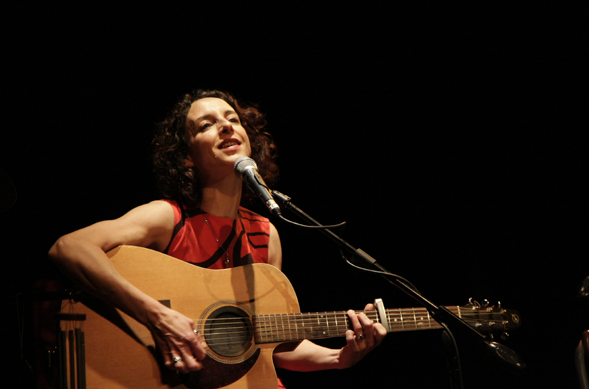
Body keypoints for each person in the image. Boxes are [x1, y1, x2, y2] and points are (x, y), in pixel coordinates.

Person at [48, 89, 387, 388]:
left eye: (232, 119)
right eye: (206, 125)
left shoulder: (266, 235)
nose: (226, 126)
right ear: (187, 157)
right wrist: (157, 315)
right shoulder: (168, 217)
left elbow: (271, 345)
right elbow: (69, 247)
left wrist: (339, 358)